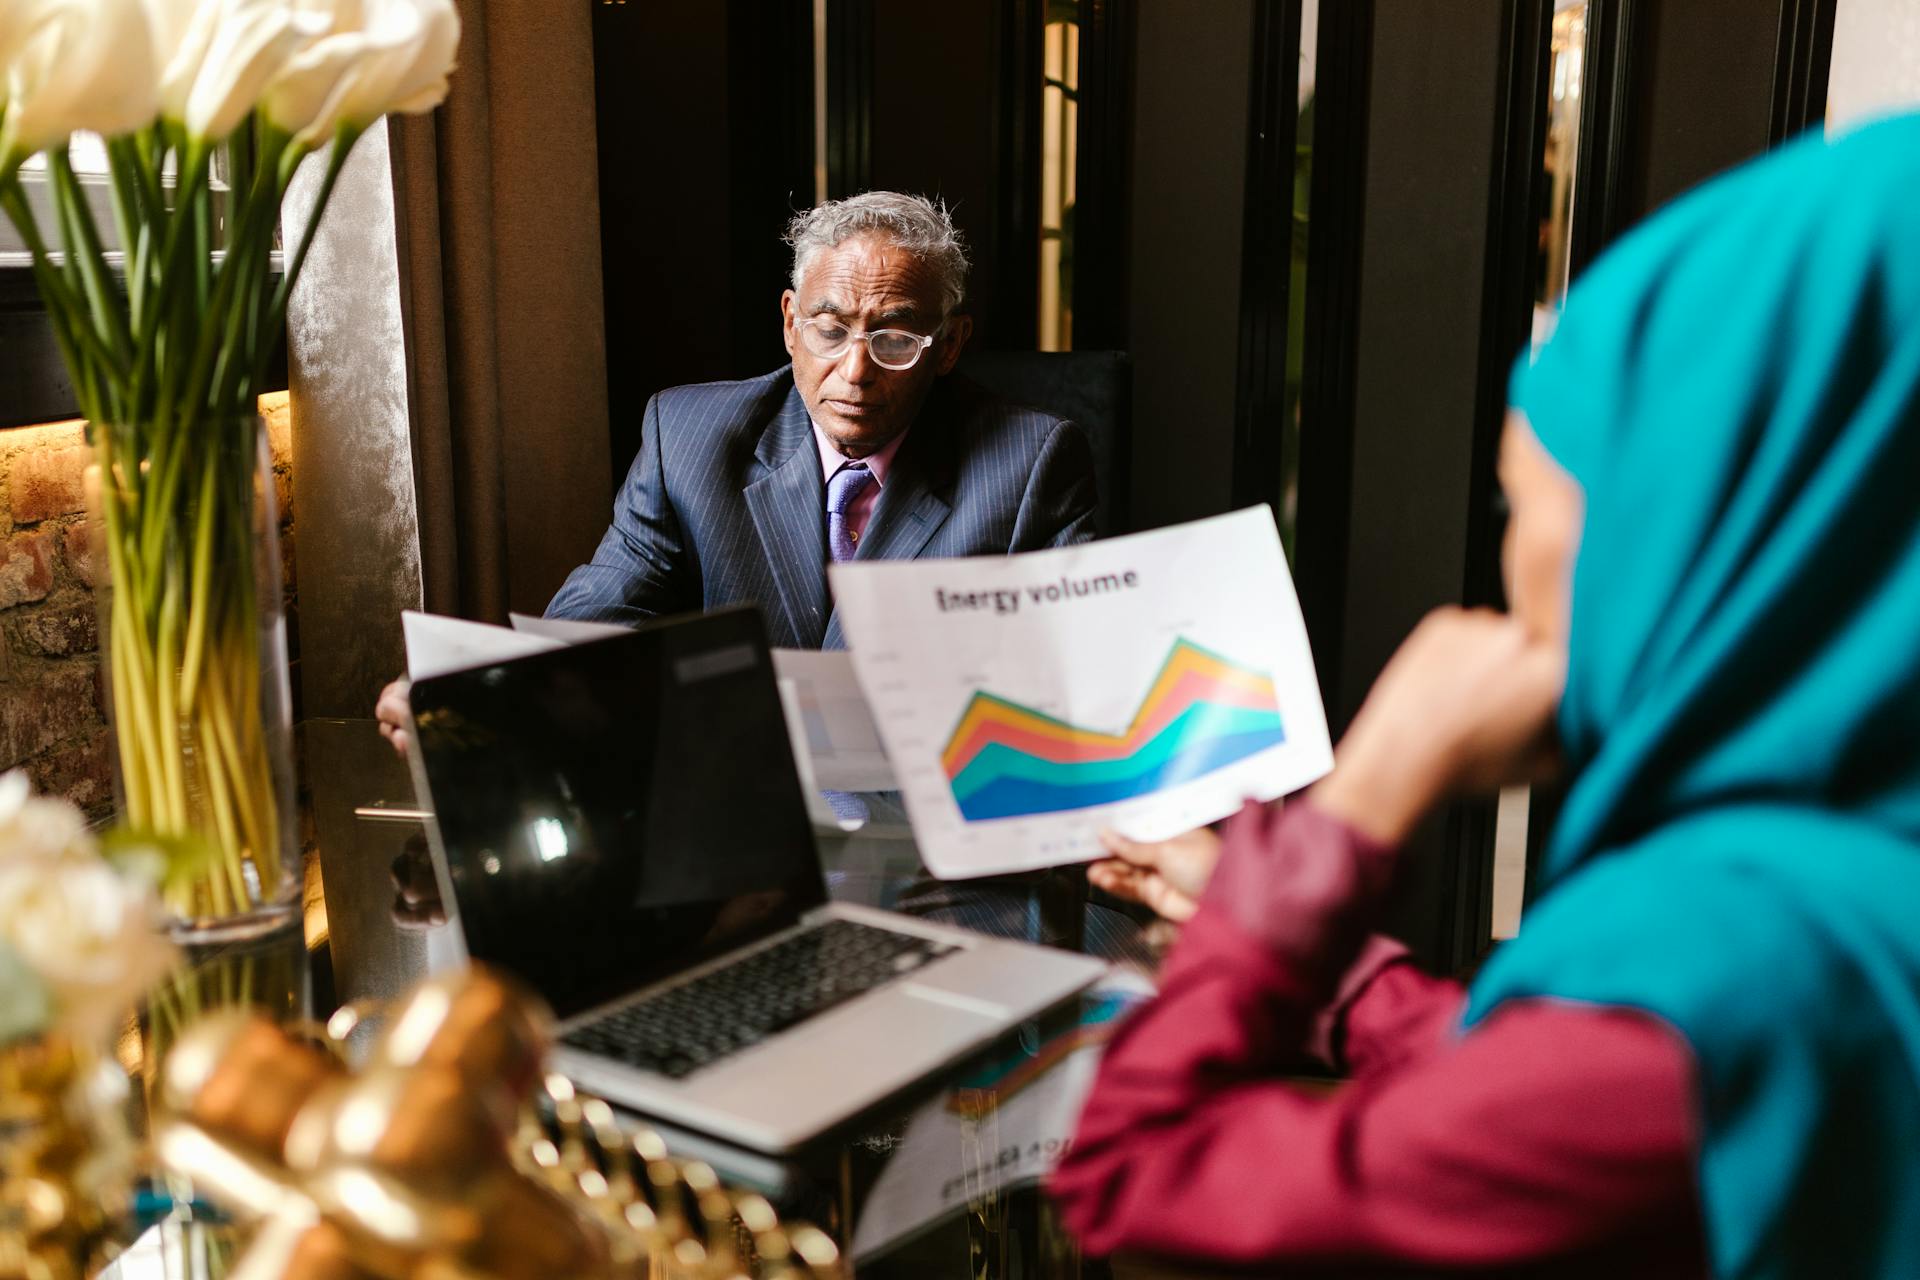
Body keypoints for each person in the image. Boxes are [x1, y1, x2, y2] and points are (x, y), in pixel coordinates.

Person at [1051, 113, 1920, 1277]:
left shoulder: (1737, 966)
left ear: (1709, 525)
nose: (1510, 576)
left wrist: (1357, 804)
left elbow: (1132, 1180)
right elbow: (1539, 1093)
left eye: (1524, 509)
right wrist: (1285, 931)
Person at [379, 191, 1099, 753]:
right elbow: (603, 611)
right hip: (735, 808)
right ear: (790, 324)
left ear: (948, 346)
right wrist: (483, 697)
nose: (855, 370)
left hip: (932, 826)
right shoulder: (687, 437)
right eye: (830, 328)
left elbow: (1073, 677)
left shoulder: (1032, 464)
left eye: (896, 338)